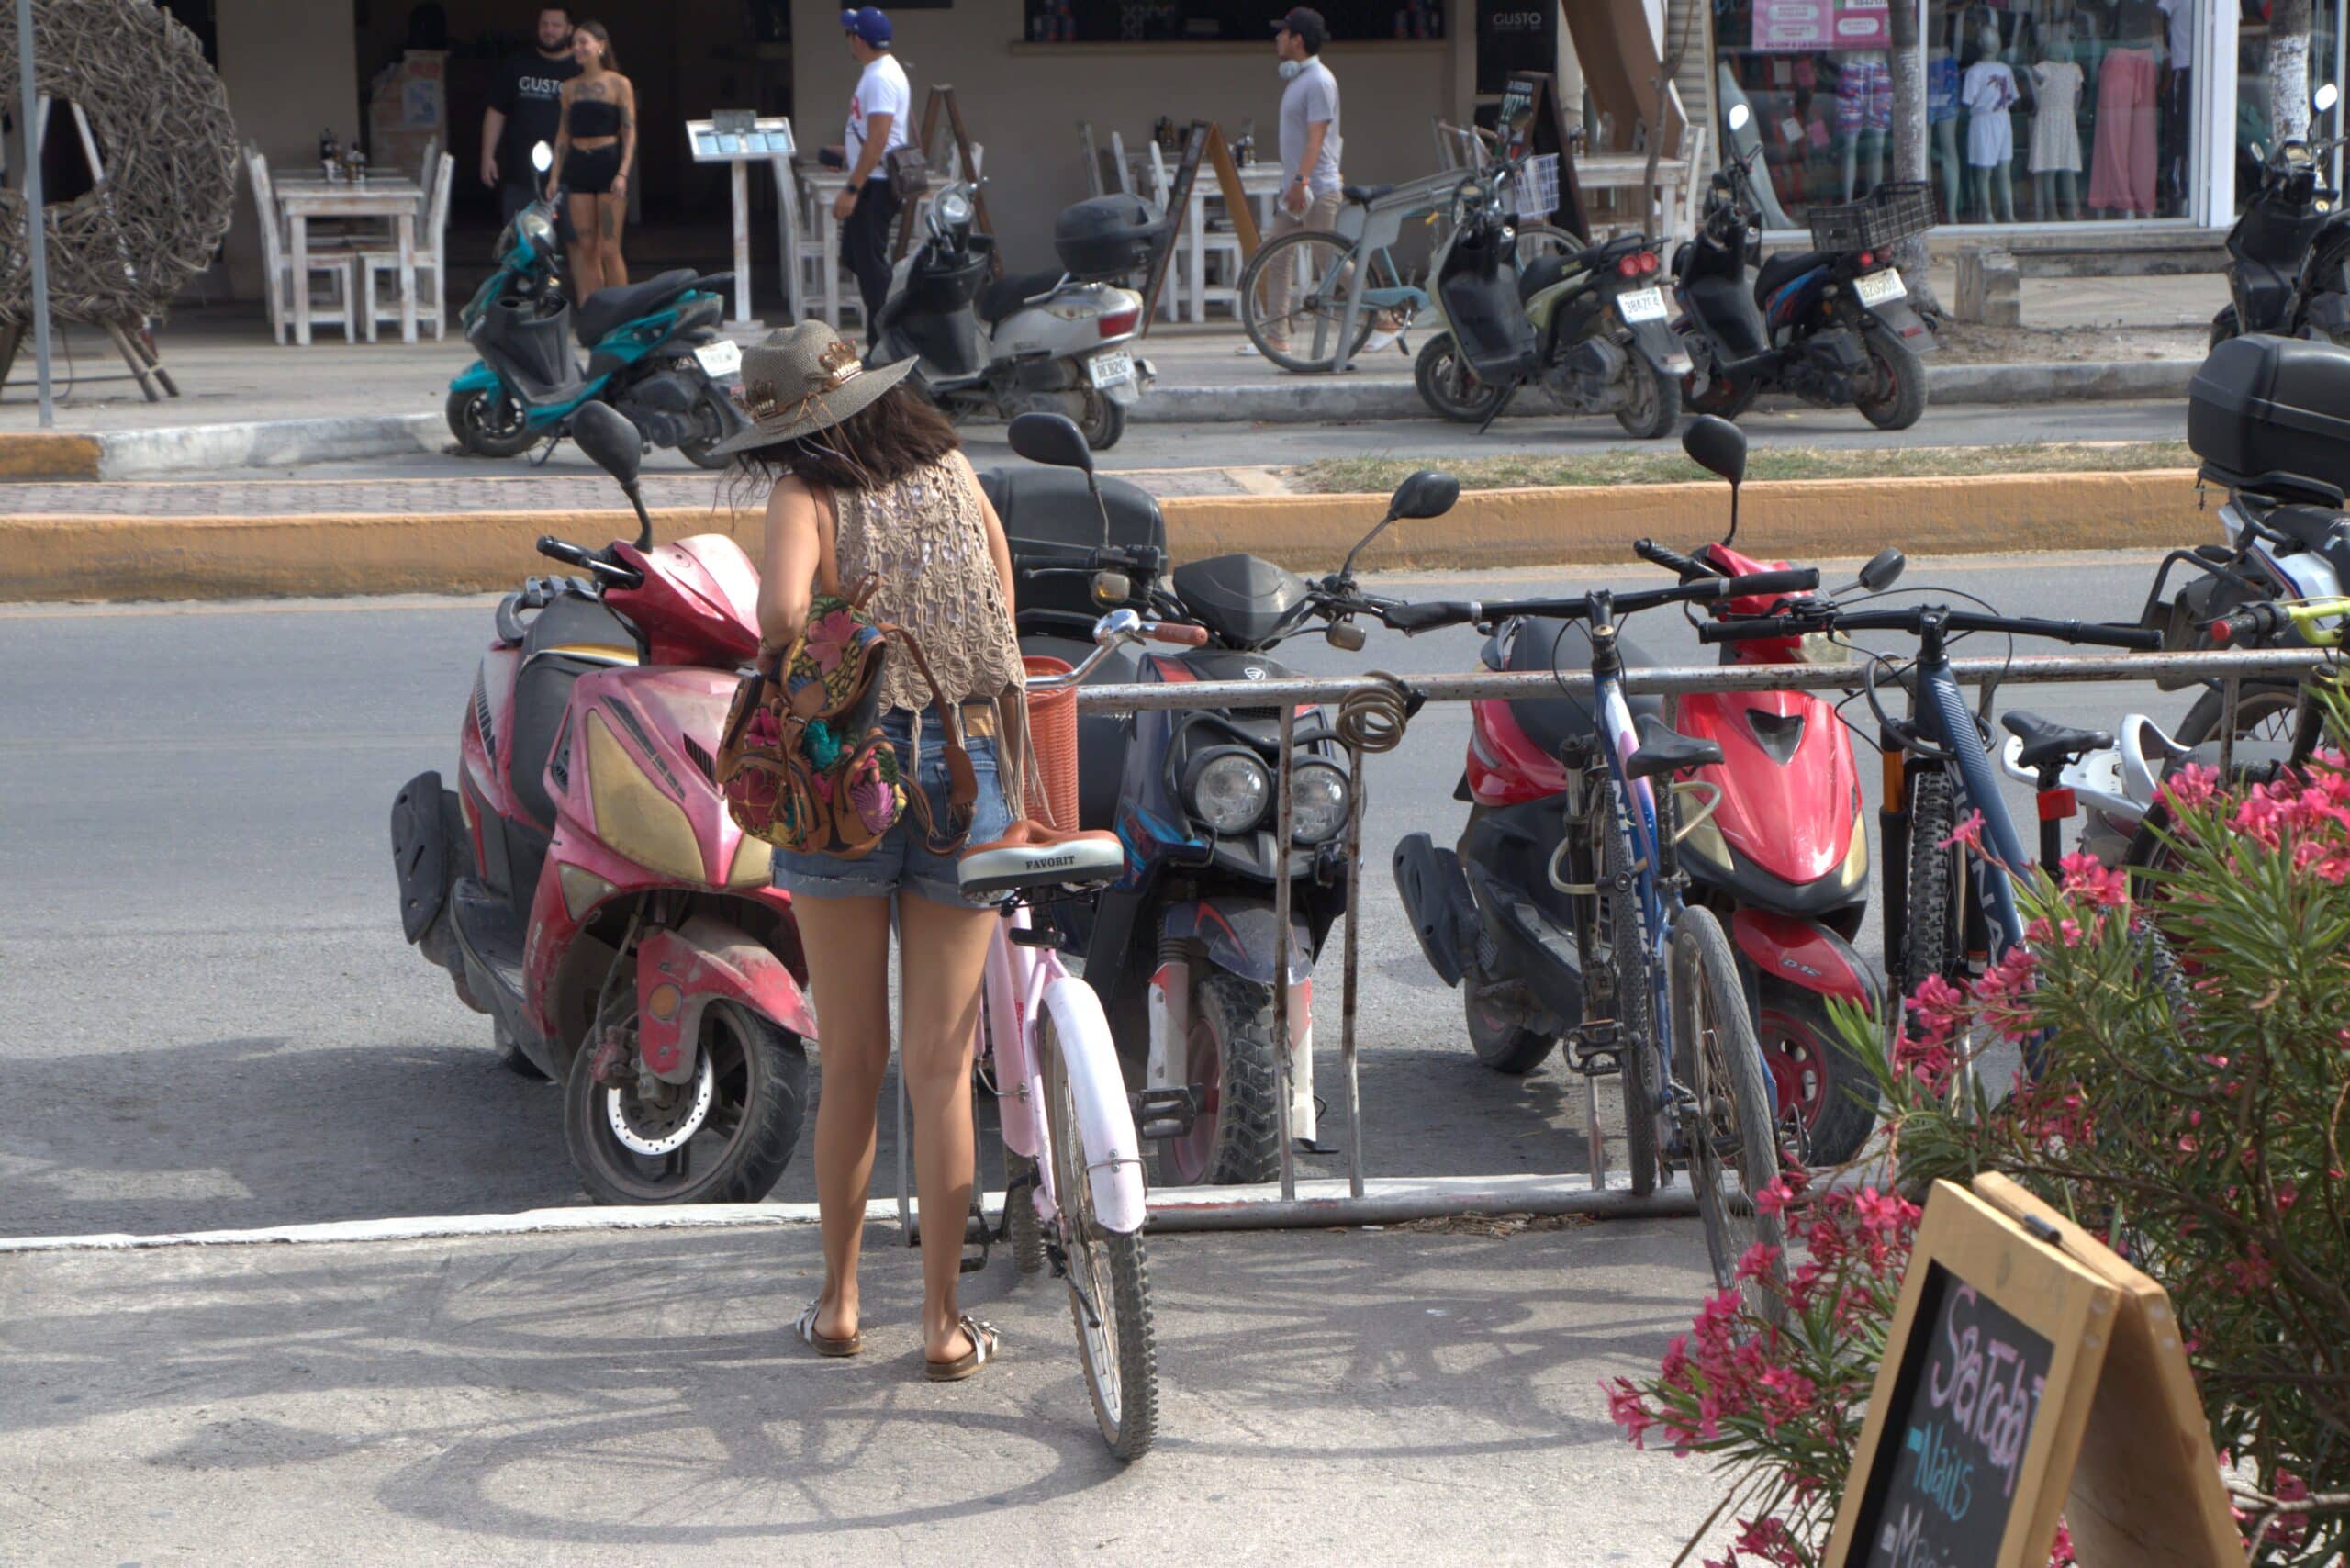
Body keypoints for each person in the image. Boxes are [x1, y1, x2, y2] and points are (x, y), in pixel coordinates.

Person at [713, 321, 1026, 1381]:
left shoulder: (805, 497)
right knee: (942, 1067)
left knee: (851, 1057)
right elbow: (1001, 598)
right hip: (971, 761)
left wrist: (817, 645)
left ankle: (842, 1304)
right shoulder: (950, 467)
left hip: (846, 775)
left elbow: (781, 615)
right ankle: (944, 1324)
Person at [1250, 7, 1380, 359]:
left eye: (1283, 33)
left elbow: (1316, 139)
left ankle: (1383, 317)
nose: (1277, 39)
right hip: (1295, 189)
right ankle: (1276, 335)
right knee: (1277, 258)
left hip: (1314, 188)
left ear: (1298, 40)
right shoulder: (1298, 80)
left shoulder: (1319, 81)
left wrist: (1300, 180)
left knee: (1328, 259)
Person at [832, 7, 911, 345]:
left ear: (859, 40)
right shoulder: (879, 72)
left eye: (850, 34)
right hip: (872, 178)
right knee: (855, 254)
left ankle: (884, 340)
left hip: (875, 183)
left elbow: (878, 139)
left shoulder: (879, 77)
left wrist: (852, 188)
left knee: (871, 262)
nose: (848, 40)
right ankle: (881, 333)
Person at [545, 21, 636, 299]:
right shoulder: (569, 87)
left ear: (600, 46)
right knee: (586, 245)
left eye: (584, 42)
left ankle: (622, 311)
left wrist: (622, 173)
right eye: (575, 43)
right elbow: (562, 134)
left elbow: (629, 132)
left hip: (607, 162)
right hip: (578, 164)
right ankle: (598, 310)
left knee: (609, 247)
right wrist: (554, 175)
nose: (578, 48)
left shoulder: (619, 83)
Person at [480, 6, 578, 243]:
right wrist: (487, 156)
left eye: (556, 25)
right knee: (519, 245)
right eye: (544, 24)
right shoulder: (518, 64)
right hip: (520, 175)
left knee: (577, 246)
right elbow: (496, 110)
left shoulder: (579, 68)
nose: (549, 30)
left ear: (569, 29)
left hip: (570, 176)